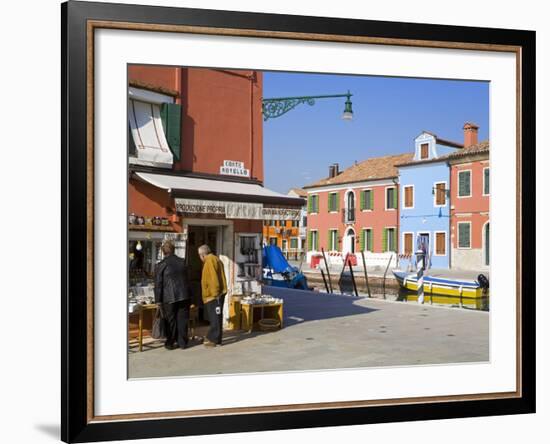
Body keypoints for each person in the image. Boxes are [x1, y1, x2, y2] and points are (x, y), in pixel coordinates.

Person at [154, 241, 191, 350]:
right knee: (182, 319)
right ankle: (182, 343)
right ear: (173, 250)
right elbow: (188, 280)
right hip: (184, 295)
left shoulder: (161, 265)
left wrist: (158, 301)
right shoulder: (182, 262)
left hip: (168, 297)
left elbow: (158, 285)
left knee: (170, 320)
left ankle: (170, 342)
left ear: (163, 252)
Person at [199, 244, 227, 347]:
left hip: (214, 296)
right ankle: (216, 338)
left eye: (200, 255)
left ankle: (213, 339)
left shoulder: (210, 261)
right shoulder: (215, 259)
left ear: (203, 254)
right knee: (217, 317)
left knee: (214, 318)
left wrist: (215, 294)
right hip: (216, 295)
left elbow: (213, 279)